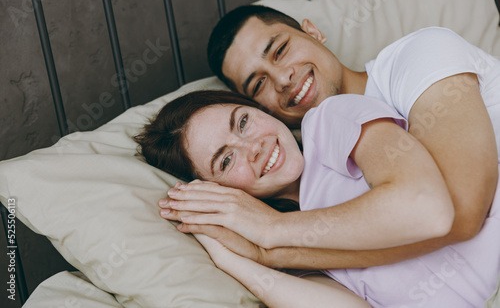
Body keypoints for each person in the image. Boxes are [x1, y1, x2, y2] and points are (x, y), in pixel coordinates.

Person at [167, 5, 500, 269]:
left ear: (313, 32)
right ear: (261, 108)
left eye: (280, 49)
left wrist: (275, 242)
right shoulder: (317, 173)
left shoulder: (419, 55)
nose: (282, 79)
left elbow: (461, 215)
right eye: (258, 84)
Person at [134, 89, 500, 307]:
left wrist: (272, 230)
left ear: (258, 109)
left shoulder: (329, 122)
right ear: (221, 192)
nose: (254, 147)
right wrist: (233, 252)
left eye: (243, 122)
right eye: (227, 160)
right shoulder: (291, 248)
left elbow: (426, 209)